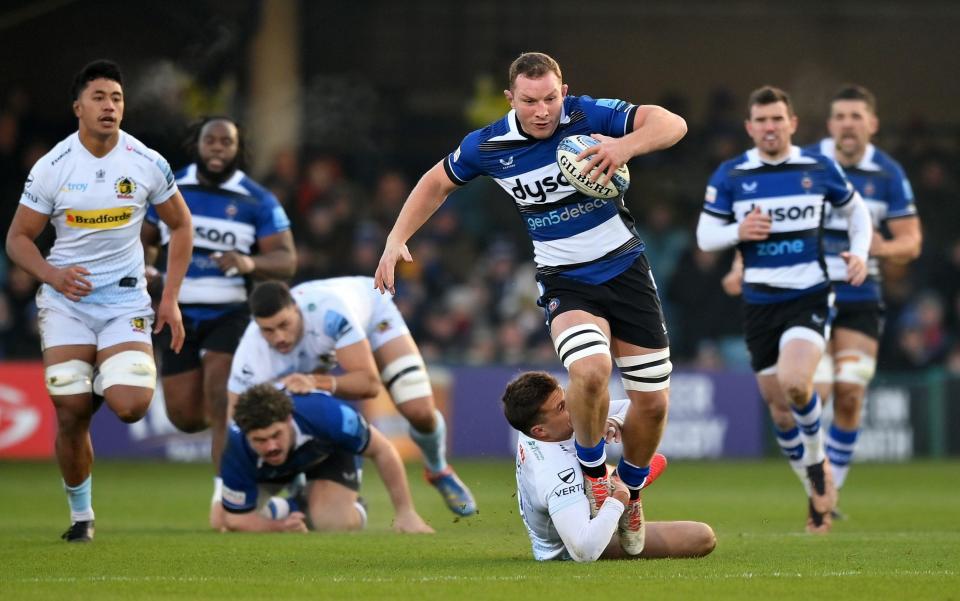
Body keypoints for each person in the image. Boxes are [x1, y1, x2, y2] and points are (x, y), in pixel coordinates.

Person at [374, 51, 687, 550]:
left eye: (549, 99)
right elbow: (436, 182)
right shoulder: (489, 144)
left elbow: (672, 124)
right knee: (589, 369)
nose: (542, 110)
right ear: (510, 98)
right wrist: (395, 238)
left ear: (563, 92)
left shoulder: (587, 115)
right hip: (565, 278)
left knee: (652, 405)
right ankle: (595, 476)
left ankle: (630, 490)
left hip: (627, 270)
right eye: (529, 101)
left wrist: (624, 147)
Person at [4, 60, 193, 542]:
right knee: (70, 412)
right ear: (77, 108)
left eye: (117, 98)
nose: (110, 106)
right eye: (99, 98)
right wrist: (53, 274)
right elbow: (18, 239)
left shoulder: (146, 162)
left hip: (125, 301)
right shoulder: (52, 167)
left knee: (130, 405)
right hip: (66, 303)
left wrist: (169, 299)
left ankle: (106, 373)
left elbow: (182, 225)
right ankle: (82, 517)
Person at [696, 86, 873, 533]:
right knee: (779, 410)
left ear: (792, 123)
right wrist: (740, 228)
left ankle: (818, 473)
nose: (770, 127)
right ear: (750, 127)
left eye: (778, 119)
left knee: (797, 385)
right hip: (759, 304)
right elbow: (705, 236)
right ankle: (816, 491)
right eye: (762, 120)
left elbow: (858, 214)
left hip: (809, 295)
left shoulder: (818, 167)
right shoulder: (732, 174)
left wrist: (858, 252)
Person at [141, 116, 296, 523]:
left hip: (231, 312)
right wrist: (146, 267)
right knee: (185, 416)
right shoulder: (170, 186)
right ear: (197, 144)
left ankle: (226, 497)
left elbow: (286, 258)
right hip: (176, 311)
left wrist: (249, 261)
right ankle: (245, 444)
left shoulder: (257, 199)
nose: (217, 148)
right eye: (210, 140)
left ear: (237, 149)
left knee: (219, 393)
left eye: (226, 142)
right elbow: (144, 237)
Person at [226, 278, 477, 518]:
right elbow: (236, 421)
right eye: (268, 330)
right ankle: (299, 486)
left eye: (284, 325)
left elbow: (369, 384)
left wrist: (315, 382)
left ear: (296, 309)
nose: (278, 337)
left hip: (373, 315)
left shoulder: (329, 314)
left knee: (419, 411)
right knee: (274, 416)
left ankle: (438, 469)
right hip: (317, 352)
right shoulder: (251, 351)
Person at [804, 85, 921, 504]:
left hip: (860, 295)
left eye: (857, 116)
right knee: (812, 397)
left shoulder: (888, 174)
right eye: (841, 116)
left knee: (850, 395)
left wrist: (881, 247)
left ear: (872, 124)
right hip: (809, 293)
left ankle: (826, 492)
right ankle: (819, 486)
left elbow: (912, 241)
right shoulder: (807, 162)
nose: (848, 124)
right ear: (830, 124)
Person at [502, 371, 716, 562]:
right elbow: (584, 550)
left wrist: (614, 420)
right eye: (561, 407)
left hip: (559, 516)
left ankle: (610, 480)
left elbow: (633, 408)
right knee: (701, 537)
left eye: (568, 397)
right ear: (540, 431)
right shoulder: (555, 473)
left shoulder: (538, 428)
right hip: (568, 545)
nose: (574, 406)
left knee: (639, 457)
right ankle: (620, 486)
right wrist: (619, 501)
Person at [213, 383, 434, 534]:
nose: (271, 446)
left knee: (331, 522)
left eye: (276, 435)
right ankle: (296, 504)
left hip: (326, 456)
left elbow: (383, 450)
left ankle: (347, 504)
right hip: (268, 470)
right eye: (259, 440)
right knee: (220, 521)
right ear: (245, 434)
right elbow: (236, 520)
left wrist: (406, 513)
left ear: (289, 419)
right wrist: (280, 527)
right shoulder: (235, 444)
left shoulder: (328, 415)